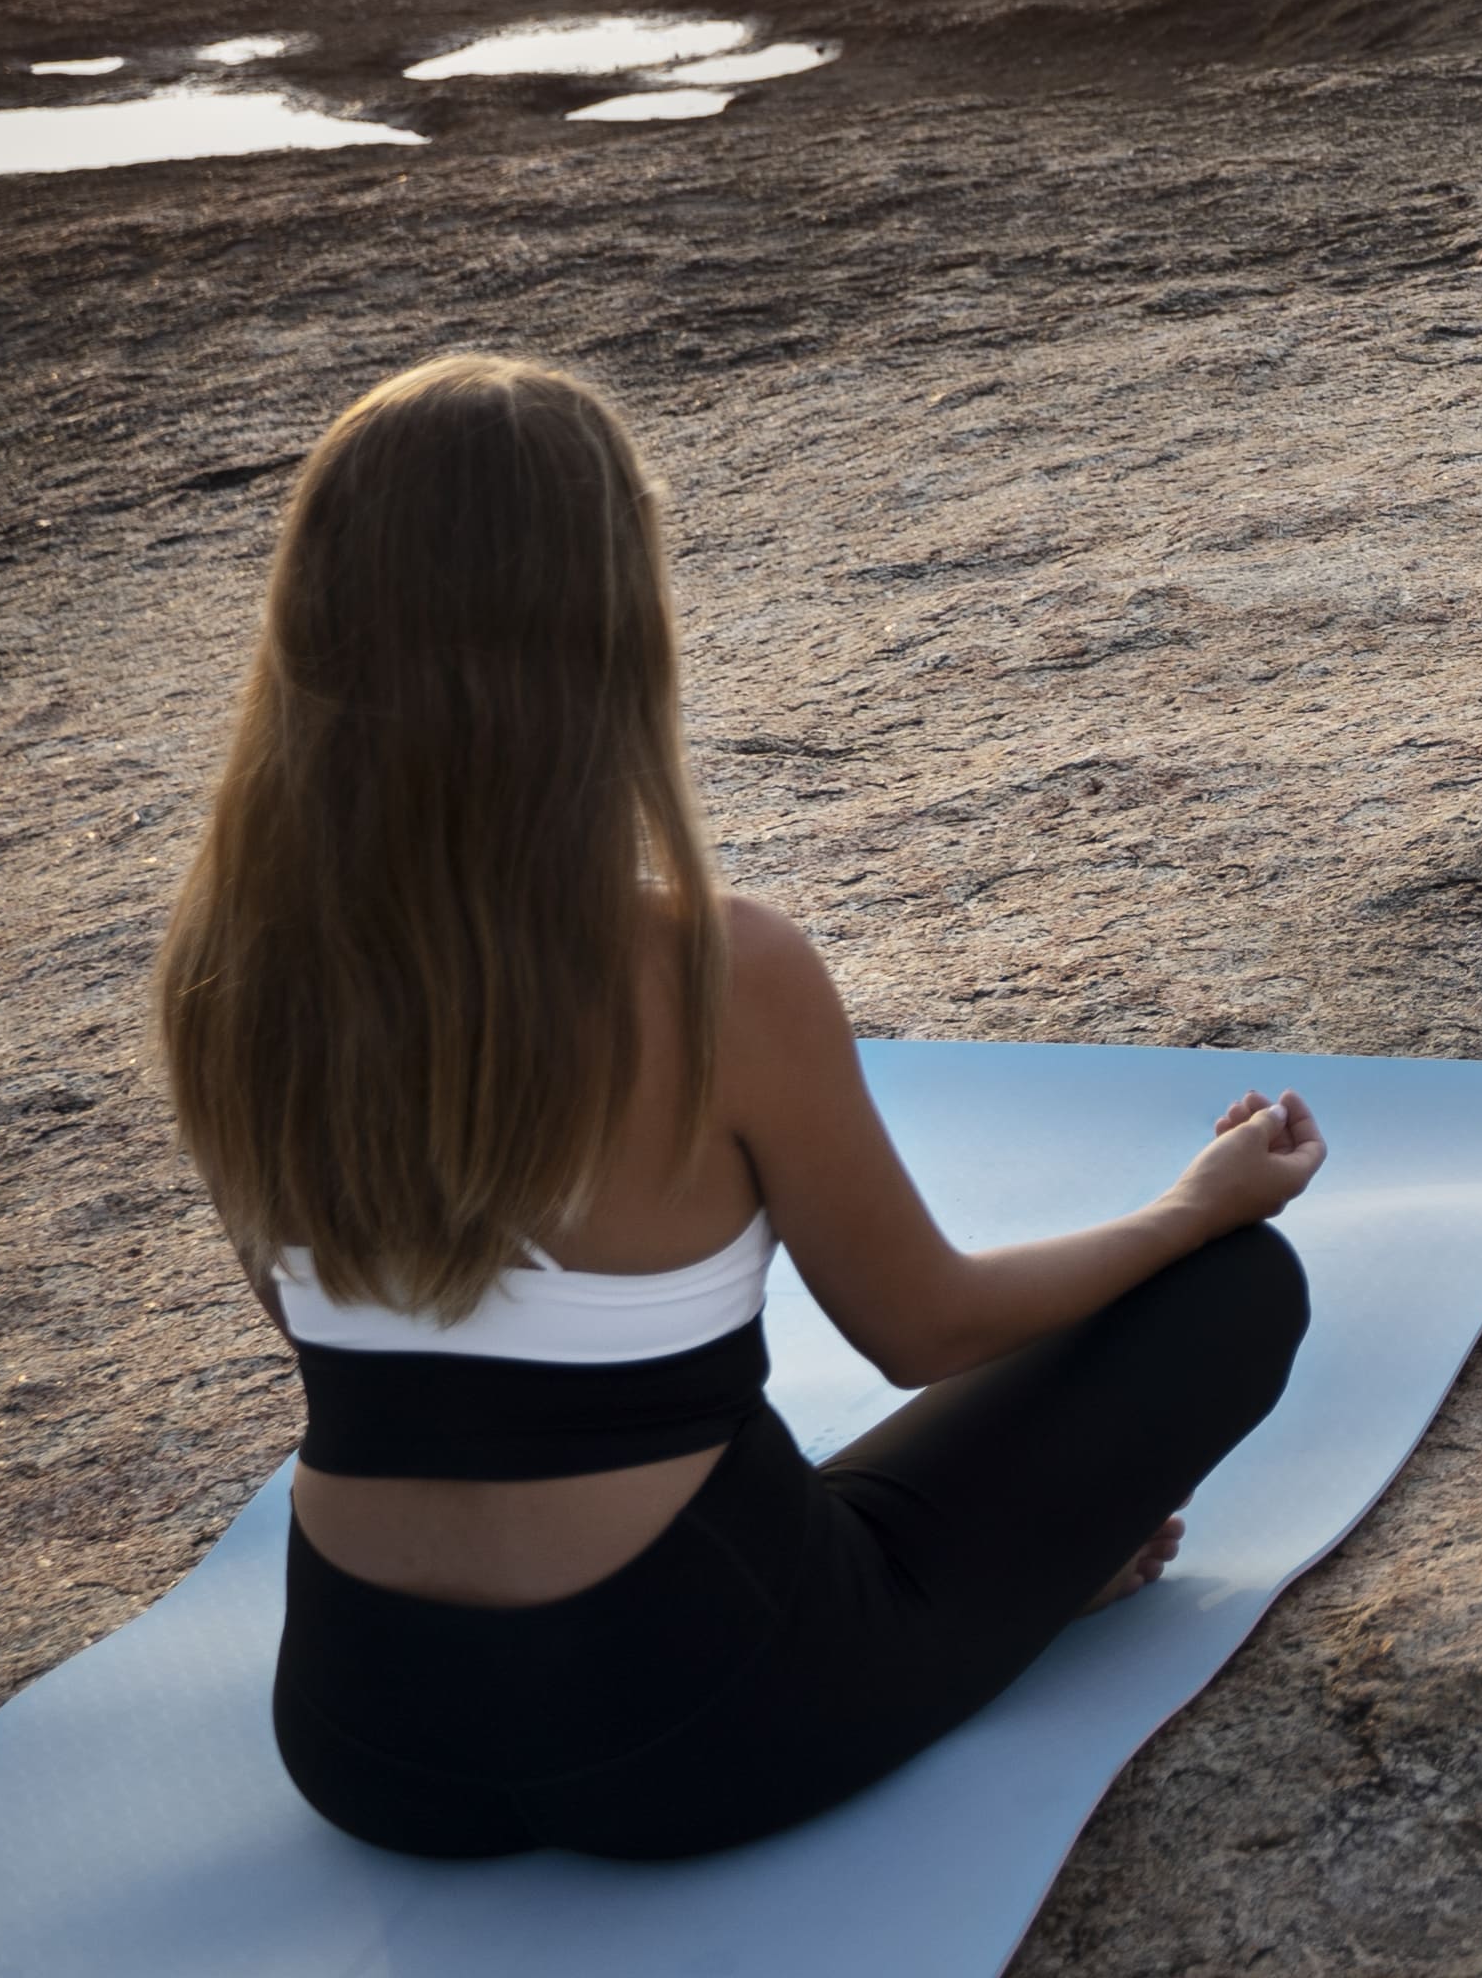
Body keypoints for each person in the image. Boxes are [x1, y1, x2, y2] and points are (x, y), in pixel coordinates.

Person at [152, 355, 1322, 1862]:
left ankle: (961, 1592)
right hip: (694, 1720)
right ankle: (998, 1602)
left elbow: (358, 1337)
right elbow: (929, 1327)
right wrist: (1193, 1209)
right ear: (611, 633)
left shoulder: (229, 969)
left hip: (367, 1736)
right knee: (1228, 1294)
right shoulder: (711, 969)